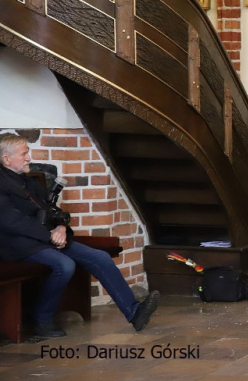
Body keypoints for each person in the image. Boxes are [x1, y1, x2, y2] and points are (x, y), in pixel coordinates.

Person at [0, 133, 159, 337]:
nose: (28, 158)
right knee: (64, 265)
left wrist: (61, 228)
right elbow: (9, 221)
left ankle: (134, 312)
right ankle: (40, 319)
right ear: (6, 159)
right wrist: (49, 235)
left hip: (45, 239)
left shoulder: (27, 181)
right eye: (24, 154)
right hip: (17, 244)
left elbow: (50, 209)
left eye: (27, 153)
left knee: (100, 257)